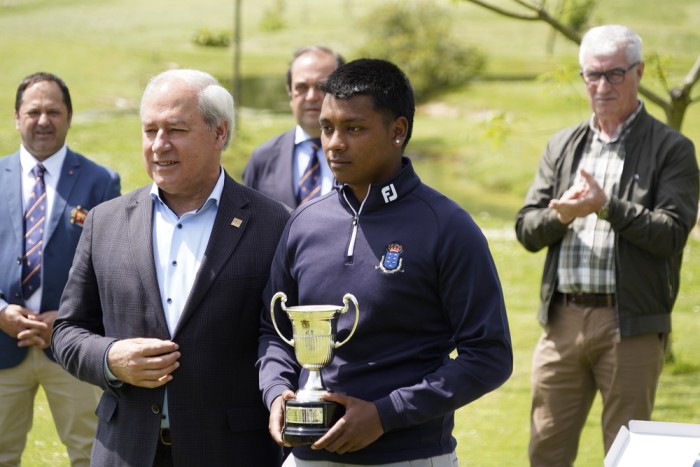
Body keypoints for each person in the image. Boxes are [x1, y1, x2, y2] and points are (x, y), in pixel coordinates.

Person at [258, 58, 513, 466]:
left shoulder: (447, 226)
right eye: (327, 128)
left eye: (353, 128)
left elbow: (489, 356)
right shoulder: (304, 222)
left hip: (409, 456)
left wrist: (386, 414)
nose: (334, 143)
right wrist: (276, 393)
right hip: (307, 455)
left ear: (398, 131)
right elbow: (273, 333)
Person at [52, 69, 290, 467]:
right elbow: (67, 331)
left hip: (231, 452)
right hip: (125, 451)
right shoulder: (104, 221)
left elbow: (281, 336)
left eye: (176, 129)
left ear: (219, 134)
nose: (159, 145)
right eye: (150, 131)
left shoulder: (273, 223)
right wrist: (110, 358)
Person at [515, 25, 699, 466]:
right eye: (591, 75)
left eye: (614, 74)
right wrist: (563, 215)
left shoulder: (672, 148)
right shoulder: (563, 145)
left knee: (630, 455)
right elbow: (526, 229)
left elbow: (673, 233)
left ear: (638, 72)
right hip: (562, 321)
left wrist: (607, 206)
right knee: (546, 447)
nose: (601, 86)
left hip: (630, 323)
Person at [0, 72, 120, 466]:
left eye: (54, 111)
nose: (43, 120)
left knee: (90, 453)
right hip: (2, 345)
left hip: (70, 345)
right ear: (17, 117)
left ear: (69, 117)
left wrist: (67, 319)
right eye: (33, 111)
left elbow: (110, 266)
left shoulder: (100, 182)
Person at [243, 46, 345, 208]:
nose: (311, 97)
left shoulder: (362, 155)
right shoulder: (263, 159)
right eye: (301, 88)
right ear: (290, 92)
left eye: (322, 87)